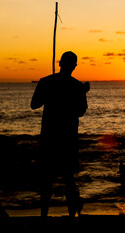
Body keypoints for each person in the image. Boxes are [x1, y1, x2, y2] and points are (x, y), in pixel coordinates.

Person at [31, 51, 89, 220]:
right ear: (74, 66)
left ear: (60, 63)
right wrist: (82, 93)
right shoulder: (78, 86)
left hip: (49, 137)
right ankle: (71, 218)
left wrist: (49, 93)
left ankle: (44, 217)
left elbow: (34, 104)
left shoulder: (46, 82)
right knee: (68, 179)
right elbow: (80, 112)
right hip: (68, 139)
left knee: (47, 181)